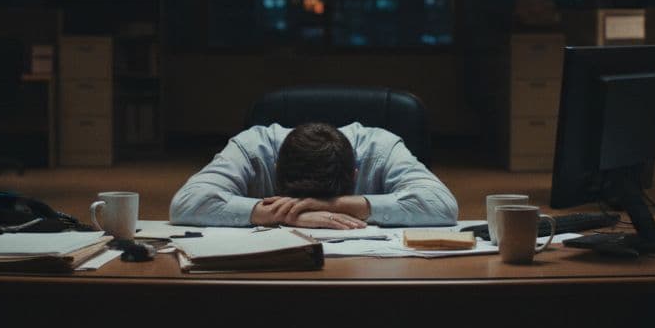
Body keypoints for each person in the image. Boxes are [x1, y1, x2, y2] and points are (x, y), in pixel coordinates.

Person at [170, 121, 457, 228]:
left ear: (356, 173)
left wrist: (332, 207)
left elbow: (442, 205)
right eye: (296, 200)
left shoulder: (380, 147)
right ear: (275, 170)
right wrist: (286, 214)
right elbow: (185, 203)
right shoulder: (252, 148)